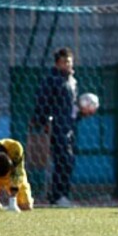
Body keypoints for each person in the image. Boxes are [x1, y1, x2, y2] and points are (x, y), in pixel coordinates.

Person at [32, 47, 95, 207]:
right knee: (63, 160)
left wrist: (82, 112)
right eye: (65, 62)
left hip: (69, 127)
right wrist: (42, 122)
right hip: (57, 127)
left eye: (70, 61)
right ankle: (58, 196)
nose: (68, 64)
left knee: (68, 161)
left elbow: (71, 108)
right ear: (58, 63)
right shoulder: (52, 80)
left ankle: (61, 196)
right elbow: (43, 102)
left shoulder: (72, 81)